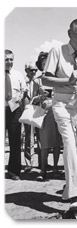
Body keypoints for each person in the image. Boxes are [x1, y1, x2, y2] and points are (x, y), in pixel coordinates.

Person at [42, 19, 77, 210]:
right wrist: (68, 79)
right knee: (70, 144)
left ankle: (75, 187)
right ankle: (75, 195)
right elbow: (45, 79)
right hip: (62, 104)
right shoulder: (57, 51)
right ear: (69, 33)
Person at [34, 52, 63, 181]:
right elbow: (32, 99)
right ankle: (43, 169)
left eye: (48, 62)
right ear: (40, 65)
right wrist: (40, 97)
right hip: (44, 114)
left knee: (57, 143)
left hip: (57, 112)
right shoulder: (37, 80)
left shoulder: (57, 78)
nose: (46, 65)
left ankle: (56, 168)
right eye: (43, 63)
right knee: (44, 143)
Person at [5, 49, 27, 180]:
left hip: (14, 110)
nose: (9, 62)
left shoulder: (18, 75)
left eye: (11, 59)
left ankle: (14, 172)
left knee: (15, 142)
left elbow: (23, 90)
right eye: (6, 59)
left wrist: (20, 96)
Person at [22, 62, 42, 172]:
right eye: (31, 70)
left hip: (37, 111)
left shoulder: (38, 81)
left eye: (35, 70)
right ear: (26, 71)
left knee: (40, 137)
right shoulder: (23, 81)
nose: (34, 72)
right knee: (28, 137)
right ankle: (28, 163)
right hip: (27, 112)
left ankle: (41, 162)